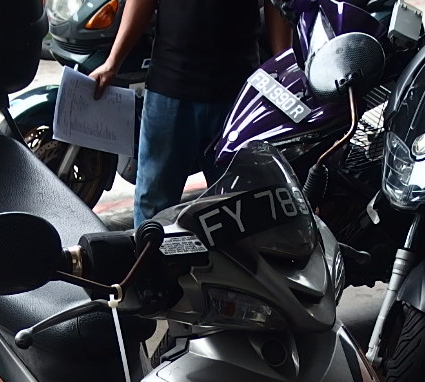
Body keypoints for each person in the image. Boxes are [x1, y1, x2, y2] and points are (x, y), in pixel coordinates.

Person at [90, 0, 291, 226]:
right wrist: (113, 62)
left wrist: (283, 66)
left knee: (239, 207)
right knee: (154, 208)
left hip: (238, 95)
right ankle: (150, 252)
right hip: (170, 89)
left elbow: (276, 5)